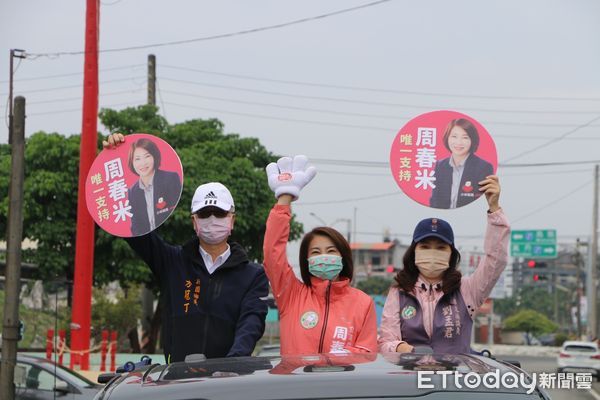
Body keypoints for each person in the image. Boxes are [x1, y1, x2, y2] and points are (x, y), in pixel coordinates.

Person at [102, 133, 269, 363]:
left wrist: (231, 367)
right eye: (204, 214)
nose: (212, 219)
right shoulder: (172, 261)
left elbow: (251, 324)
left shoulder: (254, 275)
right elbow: (136, 231)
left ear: (232, 220)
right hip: (176, 382)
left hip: (227, 381)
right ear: (194, 221)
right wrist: (116, 155)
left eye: (219, 213)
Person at [378, 175, 508, 354]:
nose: (432, 252)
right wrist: (402, 348)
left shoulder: (469, 289)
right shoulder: (399, 292)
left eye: (440, 247)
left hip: (455, 379)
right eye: (425, 246)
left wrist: (494, 209)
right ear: (414, 251)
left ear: (451, 254)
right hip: (409, 379)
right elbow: (385, 341)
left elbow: (496, 258)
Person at [263, 155, 377, 355]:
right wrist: (284, 199)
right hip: (295, 384)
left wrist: (336, 360)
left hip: (341, 386)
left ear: (343, 258)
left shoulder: (362, 302)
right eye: (316, 252)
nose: (324, 256)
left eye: (331, 251)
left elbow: (367, 351)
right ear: (306, 261)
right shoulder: (291, 295)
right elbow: (273, 254)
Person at [429, 118, 494, 209]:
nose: (458, 142)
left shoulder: (483, 167)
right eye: (454, 136)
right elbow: (435, 200)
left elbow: (482, 202)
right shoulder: (440, 166)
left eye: (465, 137)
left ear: (472, 140)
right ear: (447, 138)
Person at [126, 137, 182, 236]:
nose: (142, 163)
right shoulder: (132, 192)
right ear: (132, 162)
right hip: (148, 246)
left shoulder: (170, 179)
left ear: (154, 157)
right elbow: (136, 227)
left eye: (147, 156)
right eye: (137, 159)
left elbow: (179, 215)